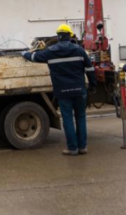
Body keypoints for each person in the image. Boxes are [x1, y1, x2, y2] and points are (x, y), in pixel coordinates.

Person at [23, 24, 96, 155]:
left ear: (58, 36)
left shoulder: (50, 52)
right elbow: (90, 69)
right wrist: (93, 85)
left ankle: (72, 148)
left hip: (62, 92)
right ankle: (82, 147)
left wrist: (24, 53)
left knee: (67, 119)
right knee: (80, 118)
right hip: (79, 90)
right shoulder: (79, 50)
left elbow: (34, 57)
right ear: (69, 36)